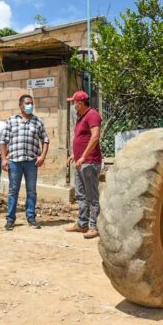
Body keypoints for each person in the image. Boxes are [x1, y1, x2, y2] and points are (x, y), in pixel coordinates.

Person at [0, 94, 50, 231]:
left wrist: (43, 157)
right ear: (20, 105)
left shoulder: (38, 122)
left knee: (31, 191)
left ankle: (31, 217)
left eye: (31, 103)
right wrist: (4, 159)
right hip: (14, 161)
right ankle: (10, 219)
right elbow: (3, 141)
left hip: (31, 162)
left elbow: (45, 140)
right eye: (27, 103)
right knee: (13, 191)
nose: (30, 106)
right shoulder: (11, 121)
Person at [65, 91, 102, 239]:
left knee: (92, 196)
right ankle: (82, 223)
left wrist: (84, 156)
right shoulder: (82, 117)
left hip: (90, 162)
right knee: (81, 195)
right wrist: (75, 155)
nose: (73, 105)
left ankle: (94, 226)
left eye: (74, 102)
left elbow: (95, 137)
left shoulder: (92, 115)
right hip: (81, 162)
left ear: (80, 103)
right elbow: (82, 139)